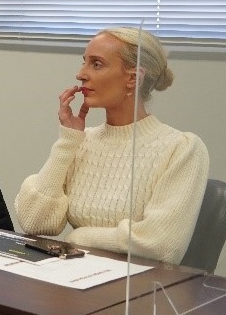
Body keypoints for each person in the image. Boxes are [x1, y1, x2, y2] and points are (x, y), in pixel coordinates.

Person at [15, 27, 209, 264]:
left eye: (96, 64)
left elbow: (161, 244)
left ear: (133, 78)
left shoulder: (182, 148)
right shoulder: (81, 141)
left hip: (136, 290)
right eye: (84, 62)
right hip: (74, 278)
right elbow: (35, 221)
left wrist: (80, 236)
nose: (81, 74)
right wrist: (67, 140)